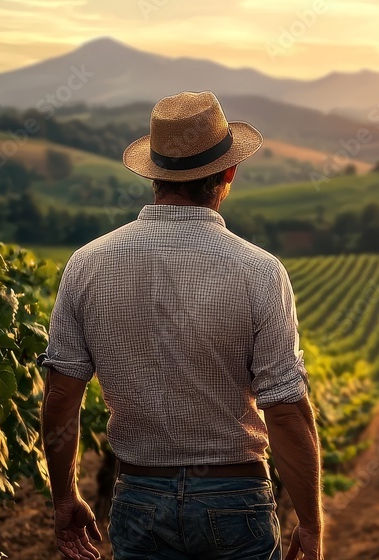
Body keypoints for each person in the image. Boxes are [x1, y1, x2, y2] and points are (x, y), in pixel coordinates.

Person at [38, 91, 323, 560]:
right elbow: (287, 413)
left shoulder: (86, 265)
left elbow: (60, 396)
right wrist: (311, 525)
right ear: (228, 173)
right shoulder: (259, 271)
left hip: (138, 499)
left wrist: (65, 498)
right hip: (236, 502)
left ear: (153, 174)